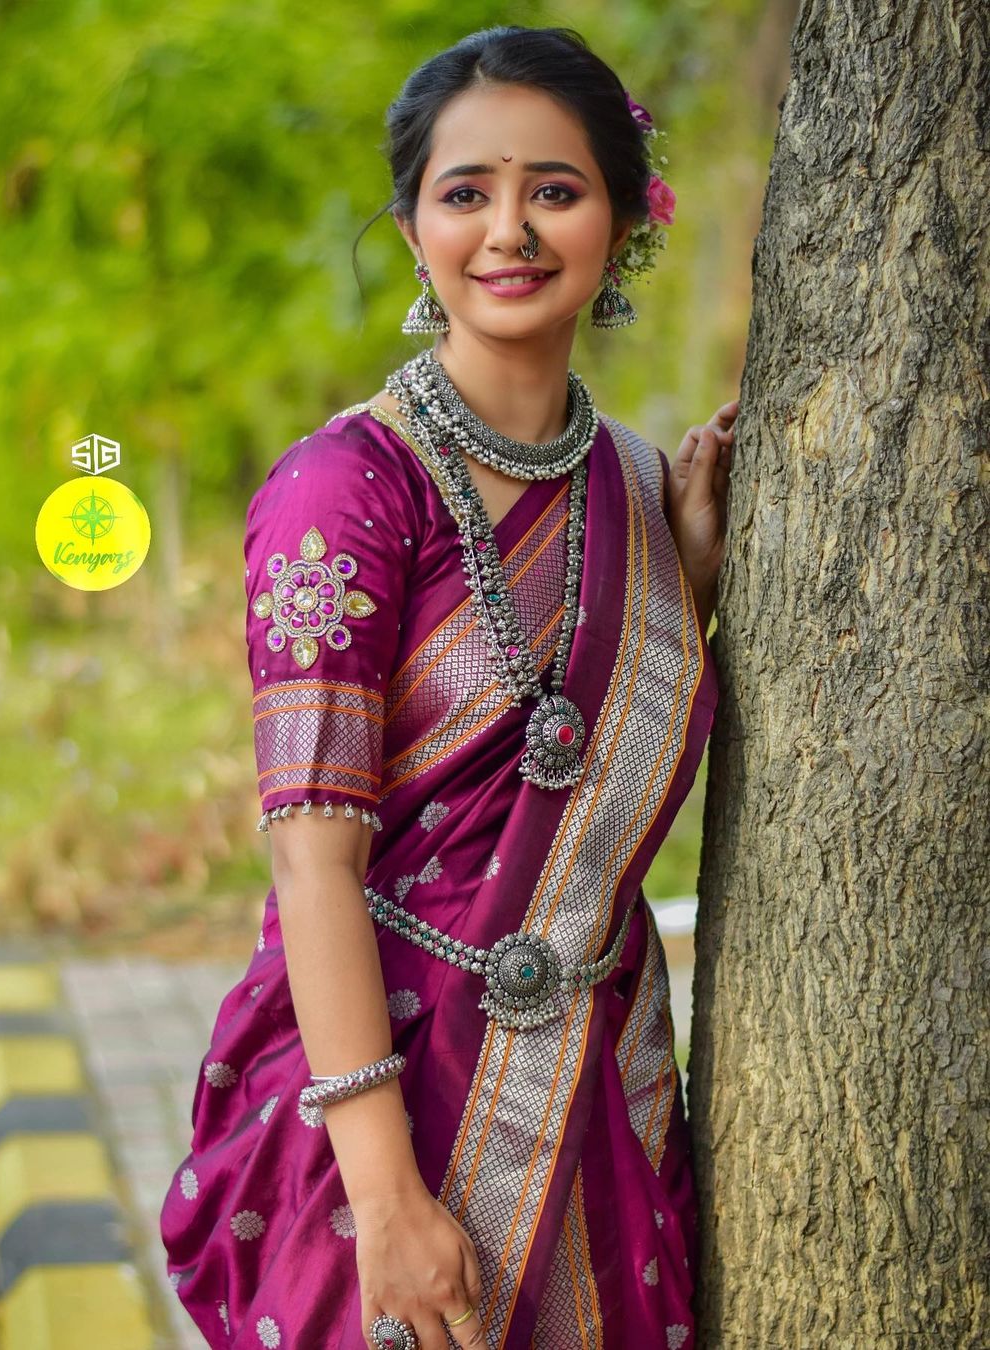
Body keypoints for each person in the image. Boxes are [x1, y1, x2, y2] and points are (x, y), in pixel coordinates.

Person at [160, 24, 738, 1350]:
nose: (510, 229)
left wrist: (688, 588)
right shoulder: (344, 491)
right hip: (389, 1114)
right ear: (414, 225)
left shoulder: (647, 493)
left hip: (602, 1097)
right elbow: (313, 863)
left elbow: (586, 747)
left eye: (555, 187)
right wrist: (385, 1193)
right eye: (466, 192)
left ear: (621, 214)